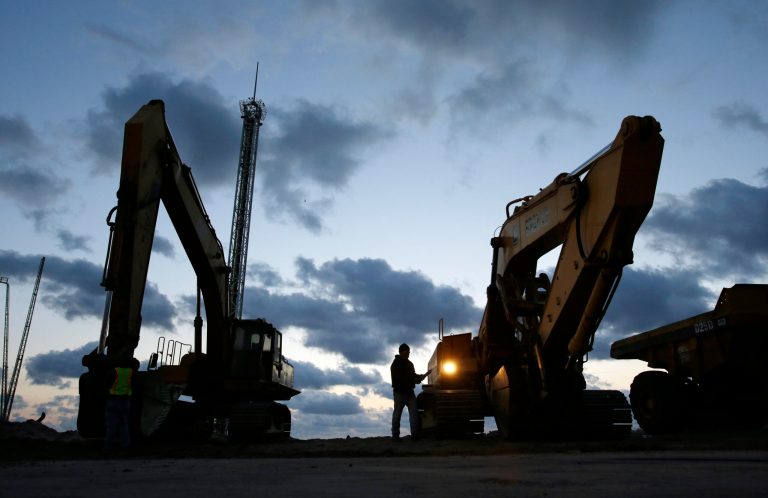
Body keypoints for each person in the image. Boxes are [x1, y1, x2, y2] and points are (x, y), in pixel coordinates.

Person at [390, 343, 430, 441]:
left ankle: (415, 435)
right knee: (397, 415)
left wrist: (420, 377)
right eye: (407, 351)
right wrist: (414, 380)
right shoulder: (395, 364)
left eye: (409, 352)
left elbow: (413, 376)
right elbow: (399, 379)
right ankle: (395, 436)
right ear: (401, 352)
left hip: (409, 393)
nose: (408, 353)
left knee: (414, 414)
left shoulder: (410, 364)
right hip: (399, 393)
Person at [105, 357, 137, 450]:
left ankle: (110, 447)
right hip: (125, 401)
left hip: (112, 400)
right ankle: (125, 446)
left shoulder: (113, 372)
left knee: (111, 425)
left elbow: (106, 385)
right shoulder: (132, 373)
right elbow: (135, 387)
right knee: (124, 425)